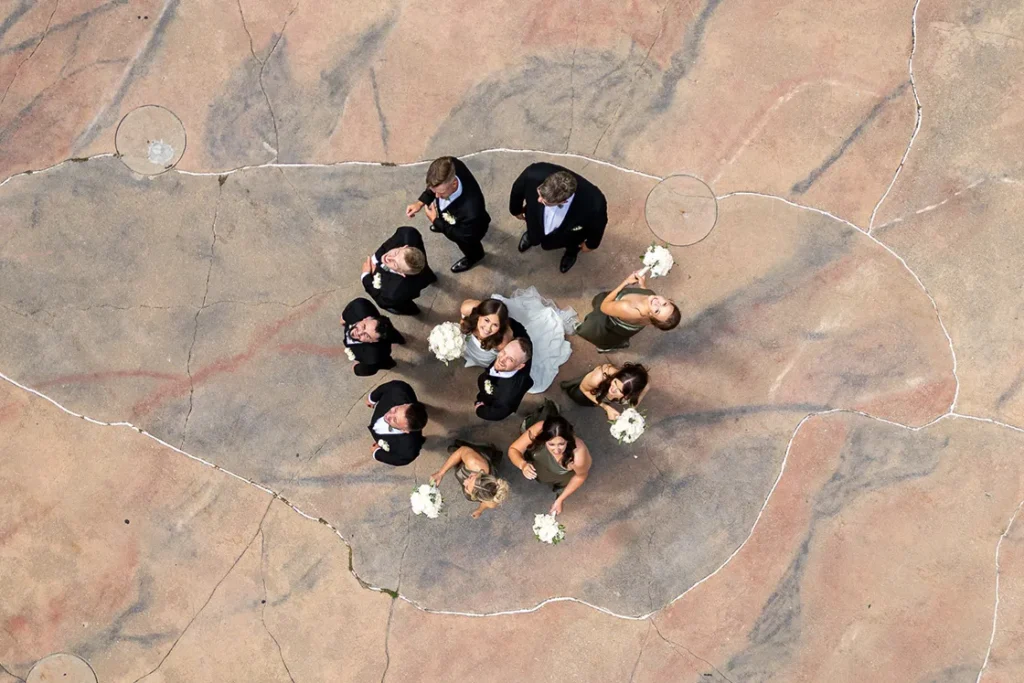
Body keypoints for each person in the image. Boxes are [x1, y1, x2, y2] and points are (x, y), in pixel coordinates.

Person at [460, 290, 576, 393]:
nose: (488, 328)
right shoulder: (469, 310)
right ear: (480, 314)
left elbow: (501, 359)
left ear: (501, 326)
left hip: (484, 356)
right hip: (467, 343)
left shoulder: (502, 341)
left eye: (495, 325)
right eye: (486, 320)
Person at [509, 162, 607, 273]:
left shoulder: (595, 204)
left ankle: (571, 253)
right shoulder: (534, 173)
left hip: (569, 235)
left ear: (563, 201)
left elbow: (598, 226)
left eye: (545, 201)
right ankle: (532, 237)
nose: (539, 200)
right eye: (539, 193)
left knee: (573, 242)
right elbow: (517, 189)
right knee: (533, 228)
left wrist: (591, 245)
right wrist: (515, 210)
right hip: (534, 219)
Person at [406, 156, 490, 273]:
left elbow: (463, 236)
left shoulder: (472, 211)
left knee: (470, 246)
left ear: (454, 184)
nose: (436, 197)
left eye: (441, 193)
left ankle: (475, 257)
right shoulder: (449, 166)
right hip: (454, 218)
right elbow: (434, 186)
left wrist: (436, 221)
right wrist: (421, 202)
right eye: (434, 192)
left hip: (470, 232)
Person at [507, 402, 592, 515]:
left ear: (568, 439)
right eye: (551, 444)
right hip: (538, 463)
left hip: (559, 475)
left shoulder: (578, 455)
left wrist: (560, 499)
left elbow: (581, 476)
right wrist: (522, 464)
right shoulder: (539, 428)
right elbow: (514, 449)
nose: (556, 450)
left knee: (563, 483)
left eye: (561, 444)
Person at [576, 270, 681, 352]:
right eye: (665, 304)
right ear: (669, 300)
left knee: (595, 326)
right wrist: (642, 286)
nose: (657, 303)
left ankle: (604, 346)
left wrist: (625, 282)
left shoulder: (627, 308)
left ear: (651, 315)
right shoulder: (651, 297)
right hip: (624, 321)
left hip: (608, 318)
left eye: (657, 311)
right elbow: (646, 295)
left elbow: (604, 306)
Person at [361, 226, 437, 315]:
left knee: (402, 305)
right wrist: (375, 259)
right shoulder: (408, 234)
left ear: (401, 273)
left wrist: (366, 276)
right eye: (396, 253)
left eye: (395, 264)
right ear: (404, 247)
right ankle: (430, 277)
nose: (388, 258)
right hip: (421, 274)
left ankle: (412, 311)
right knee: (425, 275)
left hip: (404, 290)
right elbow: (389, 244)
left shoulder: (393, 293)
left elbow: (382, 301)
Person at [429, 440, 510, 518]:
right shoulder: (473, 462)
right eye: (471, 477)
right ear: (481, 473)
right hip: (473, 458)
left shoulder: (491, 500)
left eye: (467, 488)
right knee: (460, 452)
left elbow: (486, 503)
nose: (465, 481)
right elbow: (461, 451)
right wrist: (441, 473)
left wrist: (479, 510)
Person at [366, 380, 428, 466]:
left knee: (416, 441)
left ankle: (420, 440)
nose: (388, 415)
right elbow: (390, 386)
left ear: (404, 430)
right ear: (406, 404)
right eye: (395, 409)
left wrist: (377, 453)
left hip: (411, 441)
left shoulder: (408, 451)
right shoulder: (400, 390)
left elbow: (399, 460)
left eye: (394, 420)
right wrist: (372, 398)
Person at [560, 362, 649, 420]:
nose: (613, 389)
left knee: (588, 383)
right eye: (615, 382)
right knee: (575, 395)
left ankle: (575, 381)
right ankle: (570, 384)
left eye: (619, 390)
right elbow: (584, 389)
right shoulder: (599, 377)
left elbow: (647, 387)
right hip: (594, 386)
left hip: (598, 388)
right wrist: (606, 407)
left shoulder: (641, 387)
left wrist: (631, 412)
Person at [340, 297, 405, 376]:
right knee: (392, 334)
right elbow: (346, 314)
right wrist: (344, 318)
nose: (359, 333)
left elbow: (362, 370)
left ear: (373, 341)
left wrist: (357, 364)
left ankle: (391, 361)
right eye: (363, 326)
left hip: (380, 356)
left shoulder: (372, 357)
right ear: (366, 318)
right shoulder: (360, 306)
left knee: (385, 361)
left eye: (366, 336)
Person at [475, 338, 533, 421]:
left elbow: (498, 414)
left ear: (519, 366)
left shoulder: (506, 398)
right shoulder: (505, 362)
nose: (502, 359)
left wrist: (480, 410)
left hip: (493, 399)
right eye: (504, 352)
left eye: (510, 359)